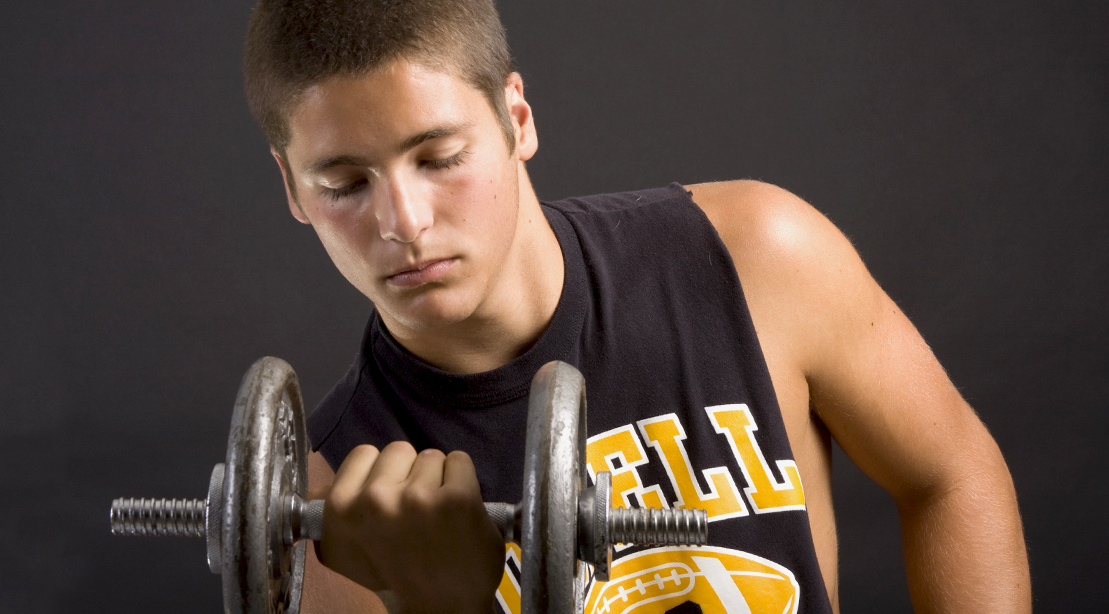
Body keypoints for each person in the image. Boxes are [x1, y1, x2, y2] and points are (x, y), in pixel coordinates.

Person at [242, 1, 1031, 613]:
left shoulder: (753, 256)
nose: (405, 223)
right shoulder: (327, 511)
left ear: (516, 119)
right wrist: (438, 603)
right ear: (291, 189)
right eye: (345, 184)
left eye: (440, 158)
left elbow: (948, 475)